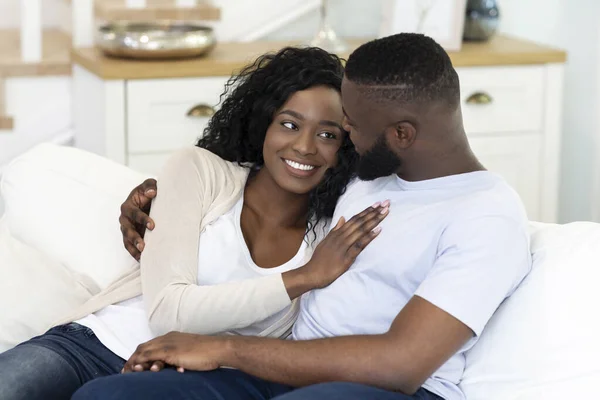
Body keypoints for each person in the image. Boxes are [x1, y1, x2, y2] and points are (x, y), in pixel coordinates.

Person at [76, 33, 532, 400]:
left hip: (380, 387)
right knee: (106, 396)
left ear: (402, 134)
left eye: (349, 124)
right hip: (281, 370)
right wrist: (153, 199)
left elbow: (402, 365)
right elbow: (259, 172)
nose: (344, 134)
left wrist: (224, 347)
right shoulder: (370, 176)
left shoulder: (486, 216)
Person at [0, 47, 388, 400]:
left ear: (346, 149)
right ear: (263, 123)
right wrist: (303, 278)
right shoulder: (201, 171)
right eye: (289, 124)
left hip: (178, 378)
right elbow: (169, 311)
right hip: (93, 344)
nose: (304, 146)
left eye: (327, 134)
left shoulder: (332, 233)